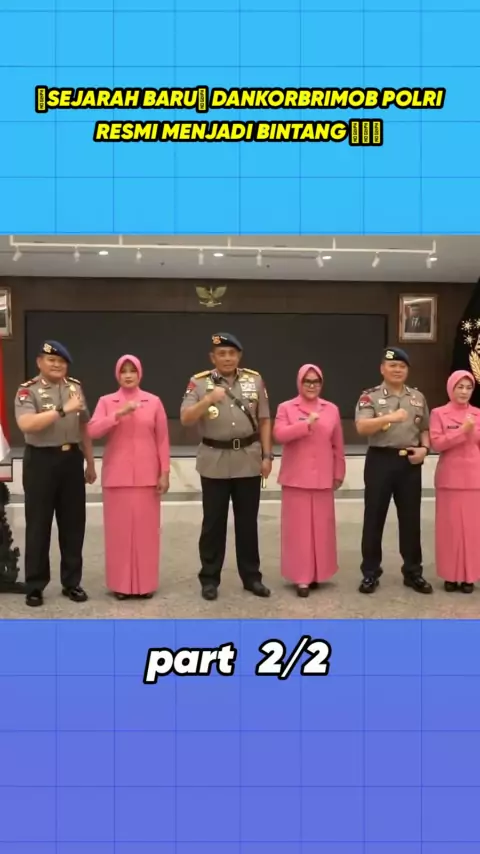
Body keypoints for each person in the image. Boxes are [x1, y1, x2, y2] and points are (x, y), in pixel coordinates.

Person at [180, 332, 273, 601]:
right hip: (214, 461)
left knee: (248, 523)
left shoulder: (254, 380)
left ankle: (252, 577)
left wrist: (268, 456)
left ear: (239, 356)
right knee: (213, 524)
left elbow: (265, 419)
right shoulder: (199, 383)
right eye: (222, 354)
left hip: (248, 459)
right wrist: (208, 400)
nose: (227, 358)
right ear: (213, 358)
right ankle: (210, 579)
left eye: (232, 353)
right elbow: (186, 418)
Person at [15, 340, 96, 607]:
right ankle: (35, 585)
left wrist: (90, 461)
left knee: (73, 524)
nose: (57, 365)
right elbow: (27, 424)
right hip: (41, 461)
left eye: (61, 361)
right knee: (38, 524)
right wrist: (62, 410)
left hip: (71, 460)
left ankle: (71, 582)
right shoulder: (28, 391)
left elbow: (83, 426)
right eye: (51, 360)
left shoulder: (75, 388)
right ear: (40, 362)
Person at [87, 355, 170, 600]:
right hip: (117, 476)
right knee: (119, 534)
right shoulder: (106, 401)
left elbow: (162, 440)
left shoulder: (153, 401)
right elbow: (92, 431)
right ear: (117, 375)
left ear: (139, 373)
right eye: (123, 371)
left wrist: (164, 472)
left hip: (147, 477)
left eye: (132, 370)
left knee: (146, 534)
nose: (128, 375)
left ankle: (146, 585)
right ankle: (120, 585)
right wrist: (118, 414)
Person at [354, 346, 432, 594]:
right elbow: (362, 427)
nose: (397, 370)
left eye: (402, 366)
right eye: (392, 366)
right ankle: (370, 572)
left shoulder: (417, 397)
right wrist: (389, 418)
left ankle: (413, 572)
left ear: (407, 370)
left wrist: (425, 449)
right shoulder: (370, 396)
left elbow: (425, 429)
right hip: (380, 460)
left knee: (411, 520)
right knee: (374, 517)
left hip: (409, 462)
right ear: (382, 369)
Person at [273, 364, 345, 597]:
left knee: (322, 528)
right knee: (298, 530)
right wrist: (305, 425)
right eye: (307, 381)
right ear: (299, 382)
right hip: (296, 478)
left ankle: (318, 573)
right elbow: (279, 435)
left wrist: (339, 472)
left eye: (316, 381)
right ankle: (301, 578)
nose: (312, 385)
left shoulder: (331, 409)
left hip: (323, 476)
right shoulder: (286, 407)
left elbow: (337, 445)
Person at [429, 370, 480, 593]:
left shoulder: (478, 414)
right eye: (460, 387)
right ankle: (450, 575)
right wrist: (462, 431)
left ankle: (469, 576)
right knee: (449, 529)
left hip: (474, 479)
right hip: (449, 478)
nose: (464, 392)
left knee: (472, 530)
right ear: (451, 388)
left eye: (469, 388)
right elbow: (437, 444)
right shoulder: (439, 413)